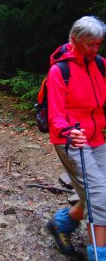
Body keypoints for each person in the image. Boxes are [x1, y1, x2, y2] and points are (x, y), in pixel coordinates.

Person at [46, 16, 106, 260]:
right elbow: (55, 117)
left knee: (98, 194)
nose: (95, 49)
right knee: (100, 197)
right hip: (71, 140)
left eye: (98, 44)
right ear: (73, 40)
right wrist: (72, 132)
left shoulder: (100, 64)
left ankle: (62, 223)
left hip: (97, 136)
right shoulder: (60, 71)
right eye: (90, 44)